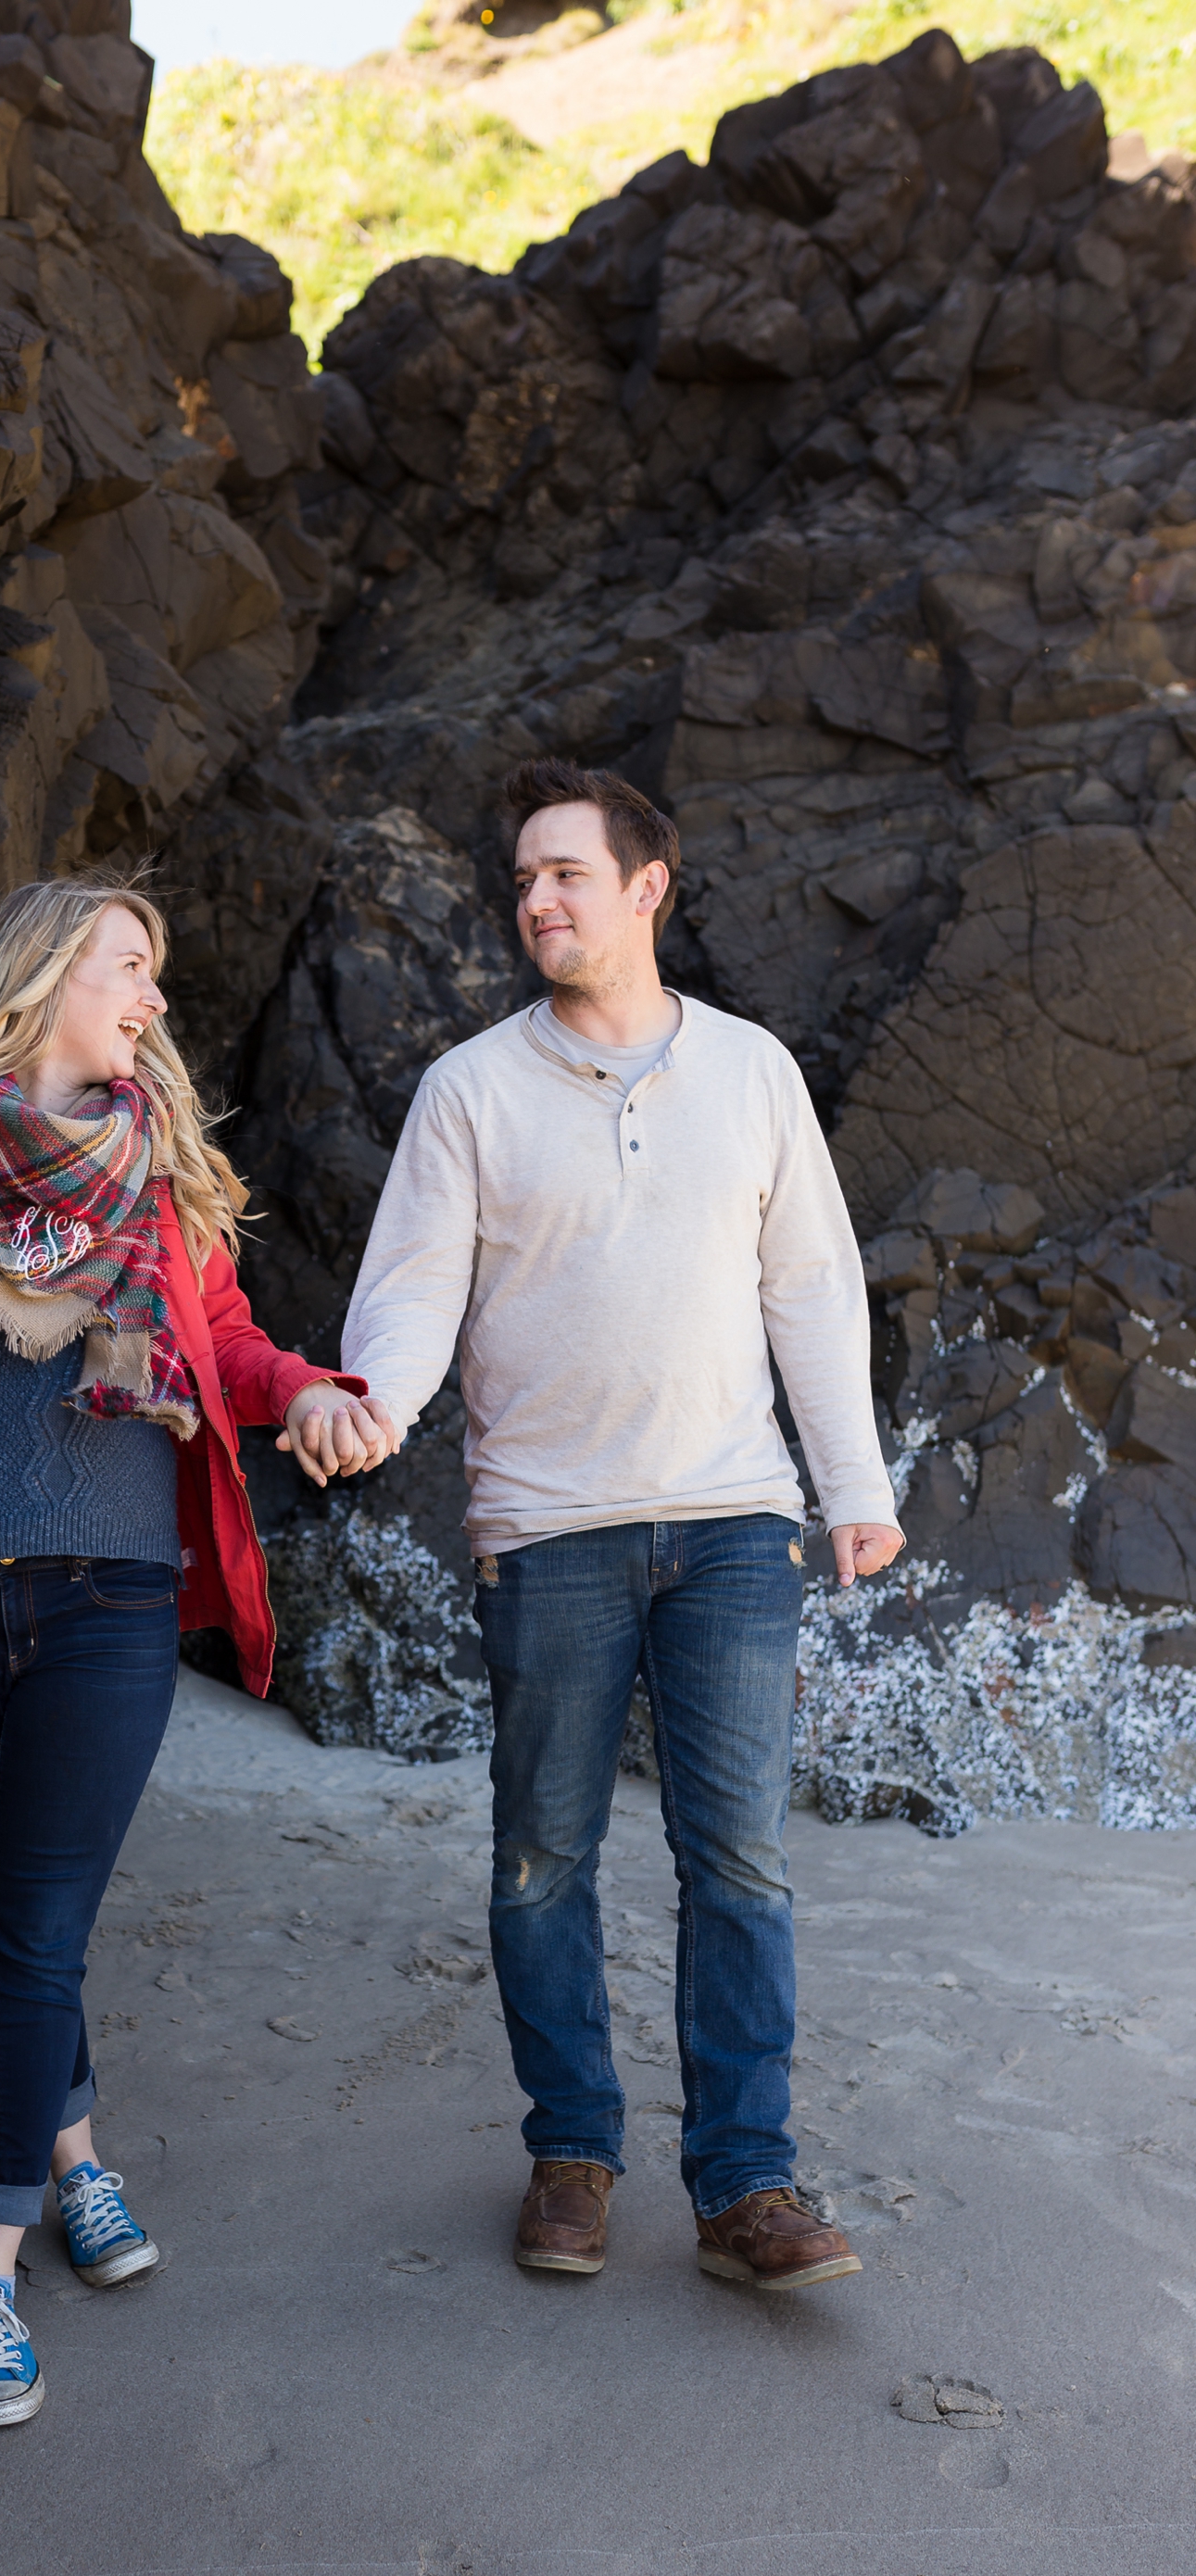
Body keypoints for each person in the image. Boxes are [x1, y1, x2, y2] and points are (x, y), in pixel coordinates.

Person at [0, 873, 396, 2426]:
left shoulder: (161, 1171)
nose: (157, 997)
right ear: (50, 973)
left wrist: (304, 1391)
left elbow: (228, 1343)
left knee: (37, 1919)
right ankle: (78, 2159)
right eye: (134, 966)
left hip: (117, 1596)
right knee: (11, 1918)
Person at [341, 760, 904, 2293]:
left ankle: (743, 2187)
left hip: (734, 1524)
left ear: (649, 887)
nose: (537, 901)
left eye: (566, 875)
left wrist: (852, 1486)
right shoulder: (470, 1090)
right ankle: (573, 2153)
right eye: (522, 879)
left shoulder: (752, 1072)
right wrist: (371, 1406)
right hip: (549, 1531)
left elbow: (813, 1288)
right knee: (542, 1860)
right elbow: (410, 1295)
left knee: (742, 1864)